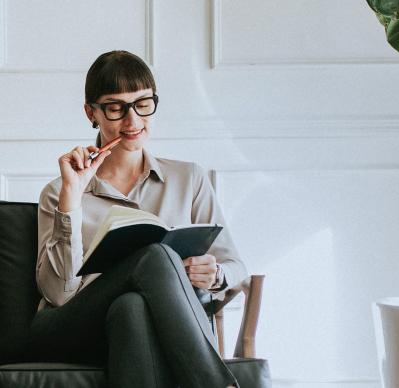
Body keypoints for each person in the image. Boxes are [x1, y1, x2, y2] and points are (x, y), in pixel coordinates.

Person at [28, 50, 248, 388]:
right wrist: (72, 198)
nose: (133, 122)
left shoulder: (189, 179)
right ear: (92, 113)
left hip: (140, 324)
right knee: (156, 256)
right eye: (116, 109)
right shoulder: (59, 191)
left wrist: (215, 273)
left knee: (131, 308)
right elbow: (58, 294)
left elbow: (235, 266)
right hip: (72, 327)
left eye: (143, 104)